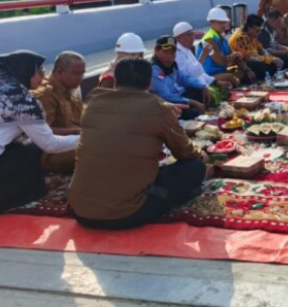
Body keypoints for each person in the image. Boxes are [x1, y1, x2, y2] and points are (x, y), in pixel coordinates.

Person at [68, 57, 207, 230]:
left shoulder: (93, 101)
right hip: (126, 213)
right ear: (149, 83)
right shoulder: (157, 108)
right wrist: (200, 152)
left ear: (116, 81)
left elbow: (123, 115)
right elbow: (184, 152)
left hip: (79, 210)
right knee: (195, 166)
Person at [0, 51, 79, 217]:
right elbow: (50, 144)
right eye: (39, 70)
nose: (43, 75)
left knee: (18, 144)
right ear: (26, 72)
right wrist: (83, 139)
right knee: (33, 148)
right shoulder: (23, 101)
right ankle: (28, 194)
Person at [32, 51, 85, 173]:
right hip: (56, 153)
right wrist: (77, 131)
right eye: (77, 73)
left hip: (79, 140)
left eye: (82, 73)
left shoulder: (73, 87)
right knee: (98, 150)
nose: (81, 78)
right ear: (60, 72)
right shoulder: (45, 94)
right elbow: (44, 132)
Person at [173, 22, 234, 105]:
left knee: (224, 89)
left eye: (193, 34)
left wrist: (217, 82)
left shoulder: (187, 49)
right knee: (213, 95)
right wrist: (203, 55)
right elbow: (190, 76)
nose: (192, 38)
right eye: (188, 35)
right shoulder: (177, 54)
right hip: (188, 90)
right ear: (179, 38)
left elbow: (201, 73)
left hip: (201, 84)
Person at [150, 36, 209, 120]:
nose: (170, 57)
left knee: (199, 92)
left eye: (172, 52)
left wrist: (203, 86)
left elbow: (184, 79)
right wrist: (192, 102)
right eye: (166, 52)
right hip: (163, 105)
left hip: (175, 98)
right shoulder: (153, 69)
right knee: (186, 110)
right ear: (156, 50)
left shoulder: (172, 65)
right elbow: (166, 96)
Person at [198, 7, 253, 84]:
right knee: (230, 77)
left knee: (248, 71)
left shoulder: (222, 39)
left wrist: (247, 69)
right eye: (220, 23)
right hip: (209, 76)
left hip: (222, 72)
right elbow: (221, 61)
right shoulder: (208, 39)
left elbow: (235, 57)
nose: (223, 25)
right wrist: (234, 55)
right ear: (211, 23)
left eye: (224, 22)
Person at [229, 15, 284, 80]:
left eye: (260, 30)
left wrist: (273, 58)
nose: (259, 33)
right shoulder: (241, 37)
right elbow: (250, 58)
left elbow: (262, 50)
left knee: (279, 60)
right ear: (249, 28)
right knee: (262, 66)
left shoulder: (253, 35)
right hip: (240, 65)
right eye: (257, 31)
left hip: (253, 60)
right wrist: (270, 60)